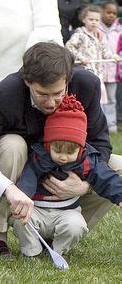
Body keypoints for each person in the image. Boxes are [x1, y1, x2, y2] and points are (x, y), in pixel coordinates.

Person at [0, 42, 122, 259]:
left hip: (70, 166)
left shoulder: (87, 85)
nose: (51, 102)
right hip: (21, 169)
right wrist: (8, 188)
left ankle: (58, 236)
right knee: (12, 145)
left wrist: (85, 185)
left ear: (68, 80)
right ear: (27, 81)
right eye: (42, 94)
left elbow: (100, 142)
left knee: (118, 167)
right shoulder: (3, 94)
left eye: (58, 93)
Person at [12, 95, 122, 257]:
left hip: (67, 211)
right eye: (57, 151)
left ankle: (57, 251)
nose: (63, 157)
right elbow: (28, 179)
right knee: (20, 221)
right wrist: (22, 199)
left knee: (75, 225)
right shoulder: (39, 156)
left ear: (81, 148)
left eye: (70, 152)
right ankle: (32, 251)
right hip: (37, 209)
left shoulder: (88, 161)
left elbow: (107, 179)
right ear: (48, 145)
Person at [65, 5, 117, 103]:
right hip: (85, 72)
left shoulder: (98, 36)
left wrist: (113, 56)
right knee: (87, 99)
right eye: (91, 19)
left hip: (98, 73)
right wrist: (81, 58)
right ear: (84, 19)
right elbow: (68, 47)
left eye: (97, 20)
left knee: (99, 100)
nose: (94, 22)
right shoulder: (79, 34)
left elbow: (105, 51)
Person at [99, 0, 121, 132]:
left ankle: (111, 125)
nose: (111, 15)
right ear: (102, 12)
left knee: (112, 99)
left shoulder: (119, 31)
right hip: (99, 72)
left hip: (113, 73)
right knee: (100, 99)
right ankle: (100, 125)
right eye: (108, 12)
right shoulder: (96, 29)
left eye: (114, 13)